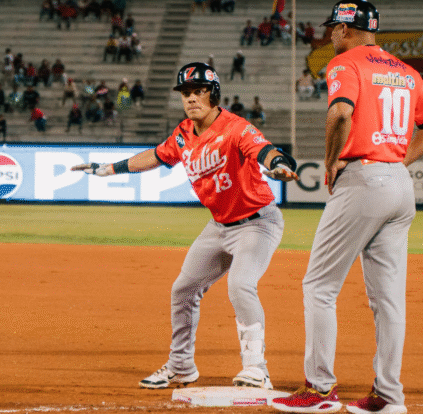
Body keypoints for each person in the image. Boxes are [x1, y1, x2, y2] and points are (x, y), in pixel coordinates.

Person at [71, 62, 299, 392]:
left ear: (214, 93)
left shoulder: (235, 128)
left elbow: (261, 148)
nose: (191, 98)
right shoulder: (182, 133)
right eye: (186, 93)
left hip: (257, 222)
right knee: (183, 290)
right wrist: (107, 169)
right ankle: (181, 367)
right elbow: (156, 156)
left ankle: (256, 368)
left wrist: (276, 164)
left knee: (240, 285)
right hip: (219, 226)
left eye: (199, 91)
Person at [271, 0, 423, 414]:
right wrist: (400, 160)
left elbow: (339, 114)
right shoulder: (405, 70)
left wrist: (331, 161)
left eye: (334, 27)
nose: (331, 34)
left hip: (362, 180)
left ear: (345, 30)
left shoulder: (346, 62)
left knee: (319, 286)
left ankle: (318, 389)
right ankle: (389, 395)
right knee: (388, 301)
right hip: (399, 186)